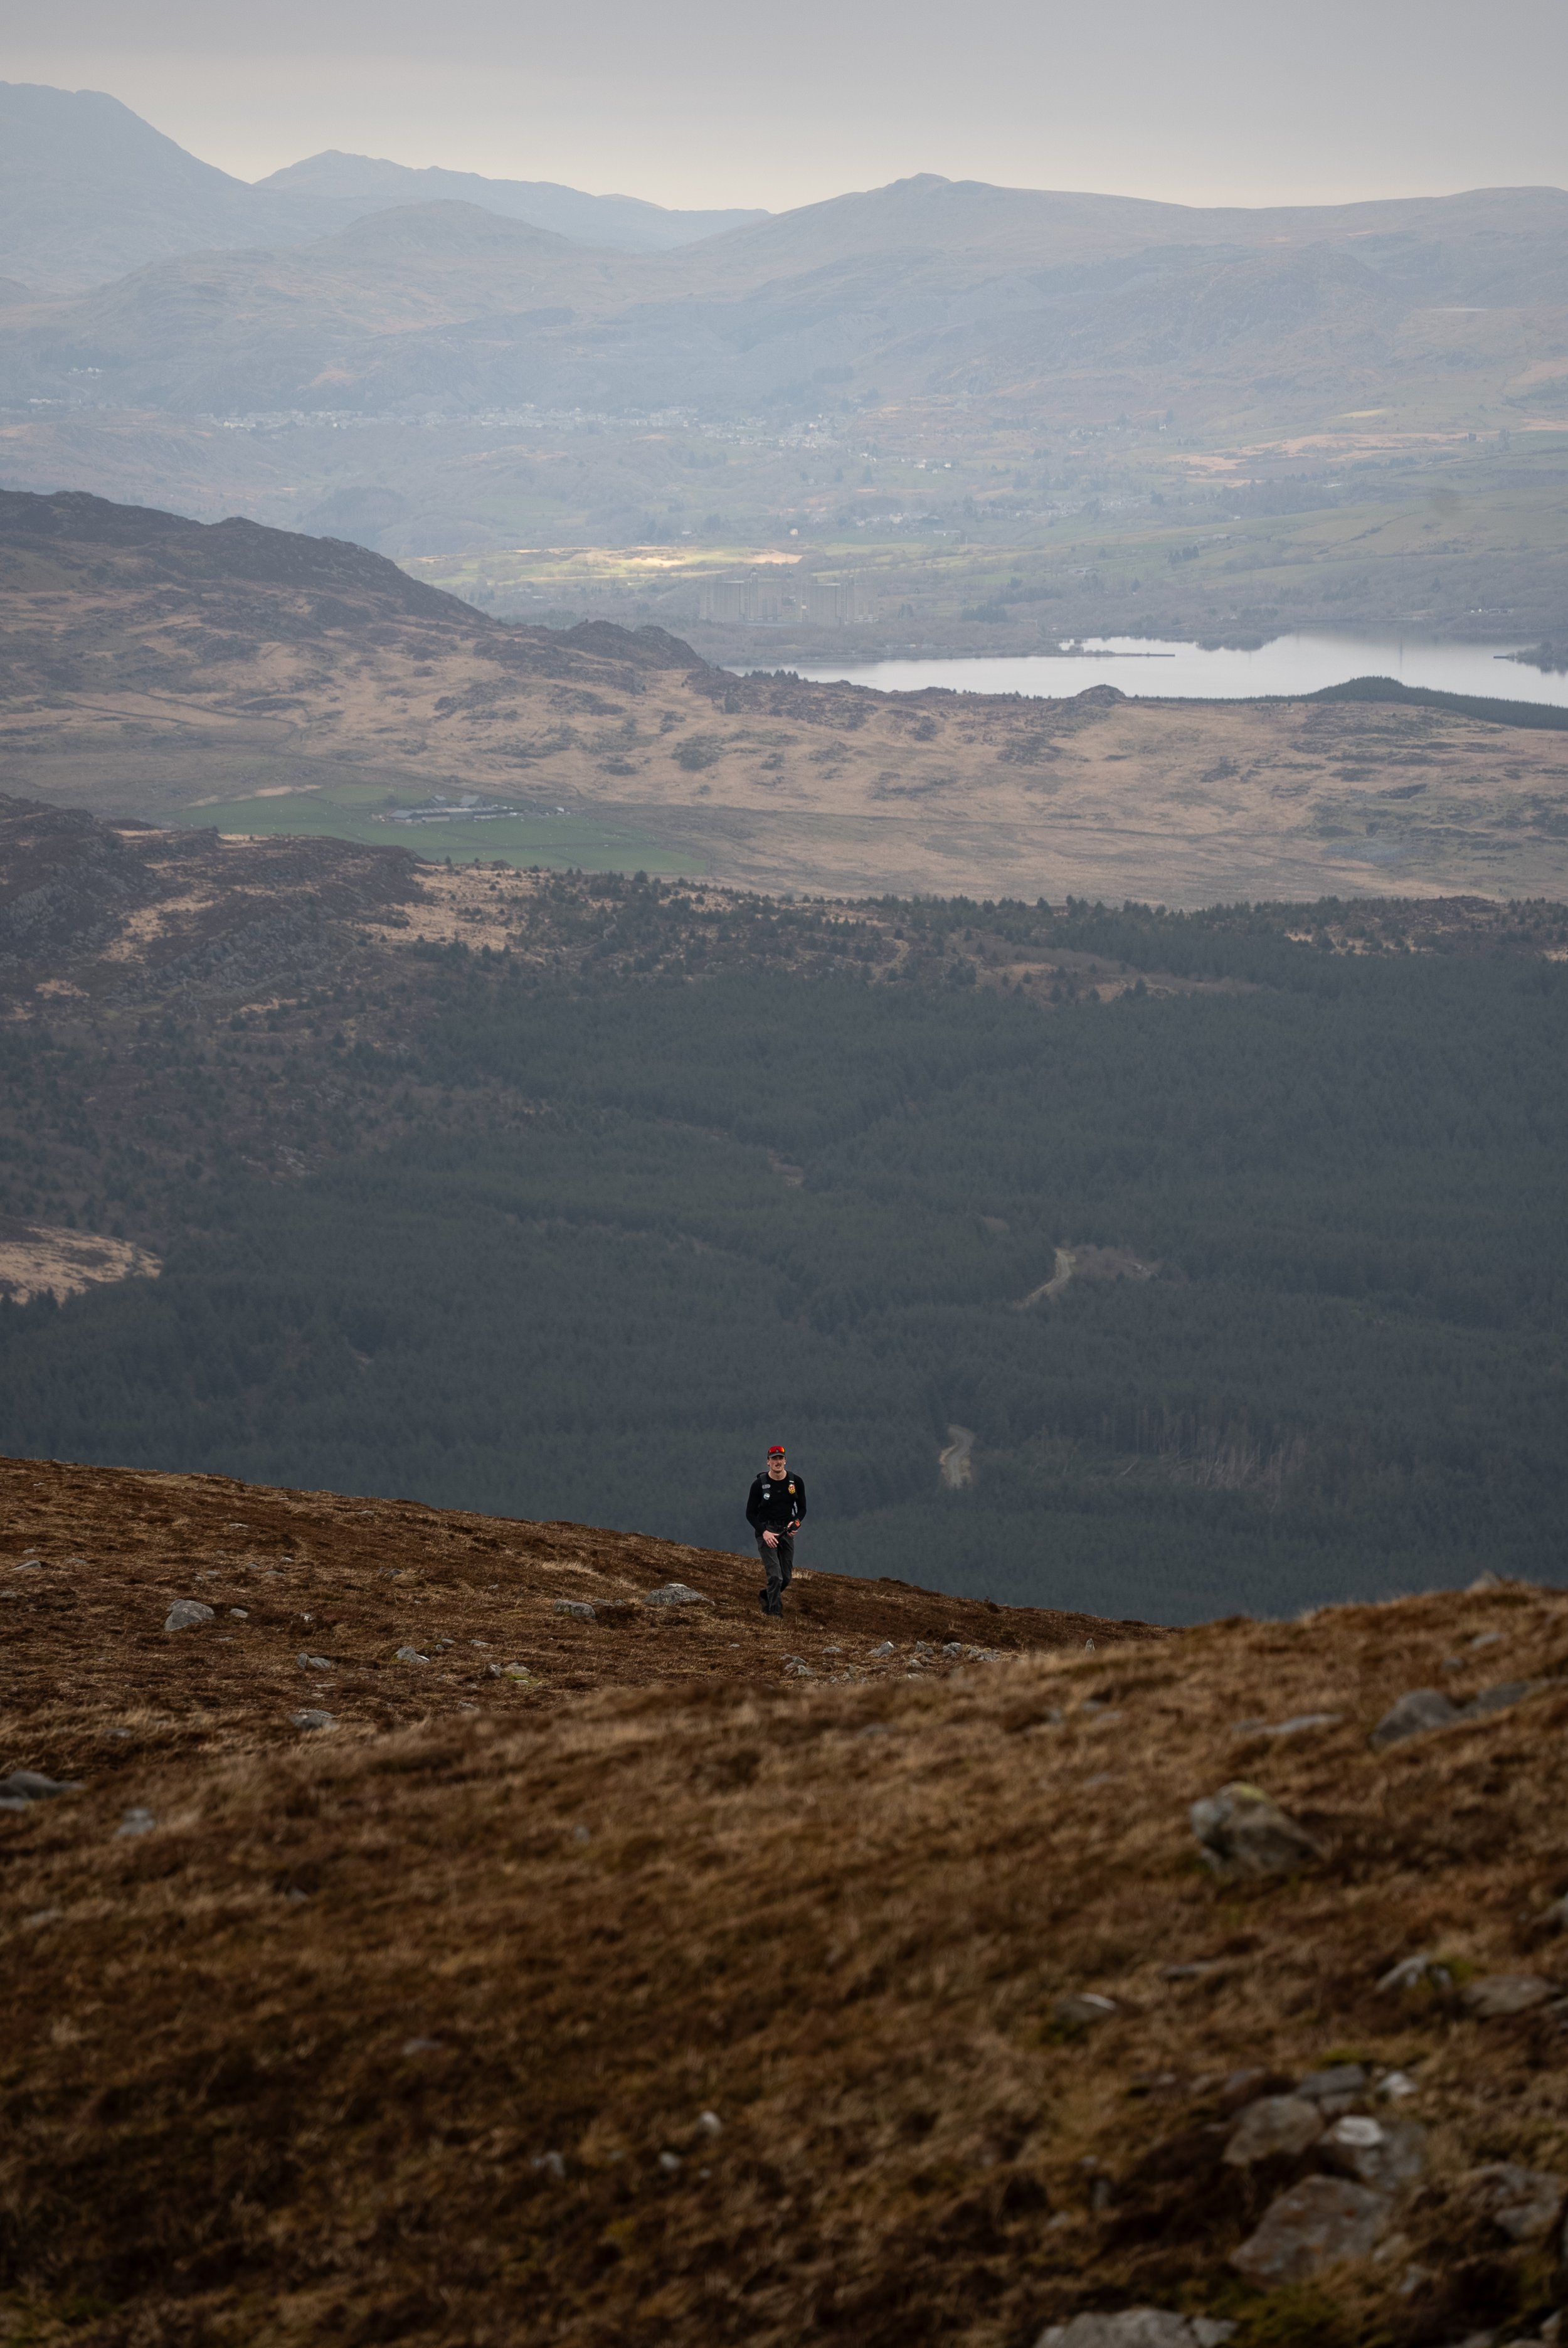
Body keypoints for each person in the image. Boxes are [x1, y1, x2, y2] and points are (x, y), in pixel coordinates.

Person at [746, 1443, 806, 1618]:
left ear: (785, 1461)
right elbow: (750, 1514)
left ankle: (766, 1595)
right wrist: (764, 1532)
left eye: (780, 1458)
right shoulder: (759, 1485)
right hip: (767, 1531)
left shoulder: (796, 1482)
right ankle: (774, 1612)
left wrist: (796, 1523)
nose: (778, 1462)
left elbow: (803, 1509)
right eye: (774, 1459)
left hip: (786, 1531)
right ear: (768, 1462)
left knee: (786, 1577)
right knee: (775, 1576)